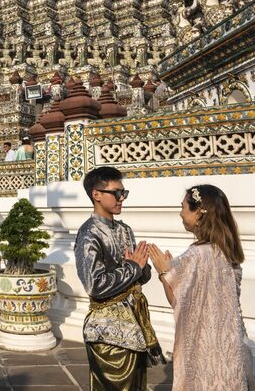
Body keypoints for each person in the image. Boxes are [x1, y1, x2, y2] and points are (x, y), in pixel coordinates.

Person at [148, 185, 255, 390]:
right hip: (230, 346)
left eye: (183, 207)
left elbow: (177, 302)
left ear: (198, 212)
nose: (180, 213)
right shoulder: (227, 251)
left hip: (204, 350)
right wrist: (174, 272)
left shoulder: (195, 256)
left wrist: (164, 273)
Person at [75, 167, 164, 390]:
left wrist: (141, 269)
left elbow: (139, 277)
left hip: (134, 321)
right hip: (106, 330)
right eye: (116, 193)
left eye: (123, 193)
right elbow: (94, 285)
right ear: (96, 194)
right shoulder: (89, 234)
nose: (121, 198)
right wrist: (133, 268)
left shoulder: (125, 230)